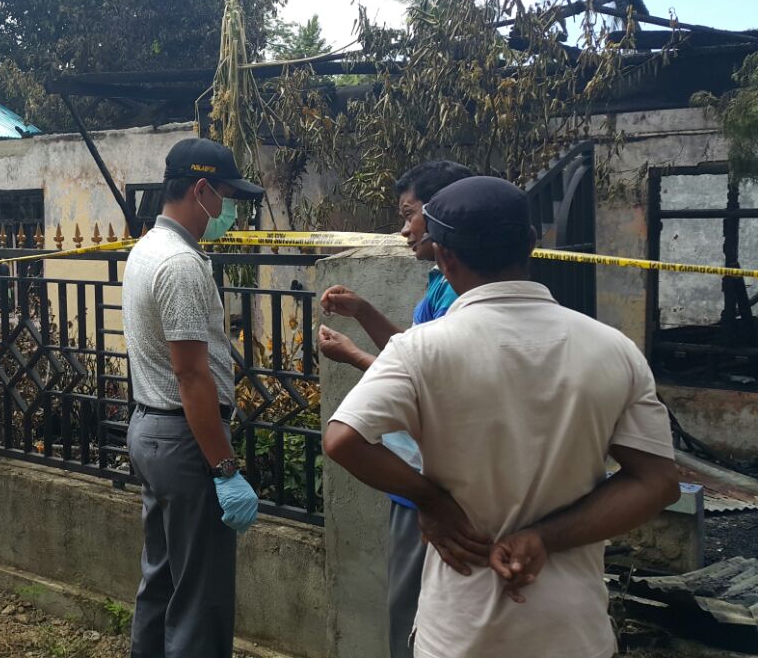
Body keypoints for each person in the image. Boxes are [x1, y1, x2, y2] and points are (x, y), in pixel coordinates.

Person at [322, 176, 680, 658]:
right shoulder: (613, 348)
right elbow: (658, 482)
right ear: (531, 244)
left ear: (443, 257)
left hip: (459, 632)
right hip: (574, 633)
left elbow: (342, 440)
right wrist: (545, 538)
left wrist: (431, 502)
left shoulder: (419, 350)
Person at [315, 160, 470, 658]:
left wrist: (354, 355)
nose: (403, 230)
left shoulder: (459, 296)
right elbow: (413, 353)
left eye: (410, 215)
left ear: (442, 215)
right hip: (418, 470)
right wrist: (363, 313)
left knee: (414, 618)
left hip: (424, 479)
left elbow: (426, 380)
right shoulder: (441, 282)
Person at [121, 137, 266, 658]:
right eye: (226, 195)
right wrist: (224, 469)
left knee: (162, 578)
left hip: (153, 428)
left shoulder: (146, 248)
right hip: (185, 440)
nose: (229, 210)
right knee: (200, 595)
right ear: (201, 189)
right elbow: (191, 375)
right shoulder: (180, 264)